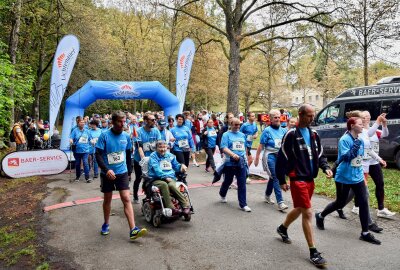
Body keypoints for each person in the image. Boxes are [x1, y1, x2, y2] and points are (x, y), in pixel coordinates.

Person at [275, 104, 332, 268]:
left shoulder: (314, 134)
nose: (312, 118)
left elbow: (320, 155)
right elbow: (282, 158)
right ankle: (313, 252)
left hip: (310, 179)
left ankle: (282, 228)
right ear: (300, 115)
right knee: (307, 212)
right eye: (309, 115)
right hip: (297, 178)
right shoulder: (291, 134)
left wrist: (326, 167)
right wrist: (281, 180)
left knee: (300, 208)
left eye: (313, 115)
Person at [315, 117, 381, 245]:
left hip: (357, 176)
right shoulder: (344, 140)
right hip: (344, 177)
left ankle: (365, 233)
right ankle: (320, 215)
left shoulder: (360, 139)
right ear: (352, 126)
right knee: (340, 203)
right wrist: (355, 147)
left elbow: (359, 157)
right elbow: (346, 157)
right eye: (360, 124)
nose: (362, 126)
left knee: (363, 202)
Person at [95, 111, 147, 240]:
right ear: (112, 122)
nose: (122, 124)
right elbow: (98, 155)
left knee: (126, 198)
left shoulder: (126, 136)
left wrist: (129, 172)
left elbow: (128, 155)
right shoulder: (104, 136)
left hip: (122, 172)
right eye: (119, 121)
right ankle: (106, 223)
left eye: (124, 121)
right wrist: (106, 170)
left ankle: (133, 229)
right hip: (107, 173)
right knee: (108, 199)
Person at [358, 111, 395, 218]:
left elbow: (385, 134)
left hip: (374, 161)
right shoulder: (360, 131)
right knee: (360, 186)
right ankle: (356, 206)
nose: (367, 118)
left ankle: (381, 208)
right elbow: (368, 133)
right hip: (364, 162)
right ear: (361, 118)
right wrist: (378, 122)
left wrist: (384, 124)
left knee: (380, 183)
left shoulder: (374, 130)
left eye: (369, 116)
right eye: (365, 117)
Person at [254, 109, 288, 211]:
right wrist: (256, 158)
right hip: (270, 156)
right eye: (275, 118)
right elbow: (261, 146)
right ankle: (280, 202)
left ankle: (267, 195)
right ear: (271, 119)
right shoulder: (267, 131)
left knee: (273, 178)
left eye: (279, 117)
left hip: (280, 156)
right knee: (276, 177)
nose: (277, 119)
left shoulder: (283, 130)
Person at [148, 140, 190, 215]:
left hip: (170, 178)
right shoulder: (153, 156)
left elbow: (176, 166)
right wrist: (165, 177)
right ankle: (171, 208)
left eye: (164, 147)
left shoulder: (170, 155)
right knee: (164, 185)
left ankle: (185, 206)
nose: (163, 149)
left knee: (171, 185)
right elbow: (156, 169)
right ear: (156, 148)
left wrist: (181, 167)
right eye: (160, 147)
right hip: (157, 178)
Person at [219, 118, 251, 212]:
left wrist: (246, 157)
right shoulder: (226, 135)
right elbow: (223, 147)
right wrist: (232, 154)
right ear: (231, 124)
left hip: (241, 162)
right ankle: (222, 193)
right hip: (230, 162)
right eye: (235, 125)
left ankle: (243, 204)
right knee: (228, 181)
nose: (237, 126)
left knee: (242, 183)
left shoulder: (242, 135)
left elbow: (244, 148)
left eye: (239, 125)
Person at [132, 113, 161, 203]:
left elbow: (159, 145)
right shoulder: (138, 131)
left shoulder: (156, 131)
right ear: (145, 121)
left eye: (155, 120)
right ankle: (135, 196)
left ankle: (149, 196)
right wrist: (143, 159)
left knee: (152, 178)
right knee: (139, 178)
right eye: (152, 120)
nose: (154, 121)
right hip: (140, 160)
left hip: (152, 160)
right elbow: (139, 146)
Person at [69, 118, 92, 182]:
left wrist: (93, 141)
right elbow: (71, 138)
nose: (82, 123)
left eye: (83, 122)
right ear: (78, 123)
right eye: (81, 122)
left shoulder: (87, 131)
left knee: (85, 163)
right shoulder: (75, 130)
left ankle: (87, 178)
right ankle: (77, 176)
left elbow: (90, 138)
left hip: (85, 150)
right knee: (77, 163)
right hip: (77, 150)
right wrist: (71, 140)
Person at [239, 111, 258, 183]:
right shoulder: (244, 125)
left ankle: (243, 172)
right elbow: (240, 134)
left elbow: (256, 131)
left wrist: (255, 135)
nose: (254, 117)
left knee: (249, 160)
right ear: (249, 117)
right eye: (252, 116)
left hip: (250, 144)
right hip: (244, 144)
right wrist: (245, 137)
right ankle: (245, 175)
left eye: (254, 116)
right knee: (249, 159)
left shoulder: (255, 124)